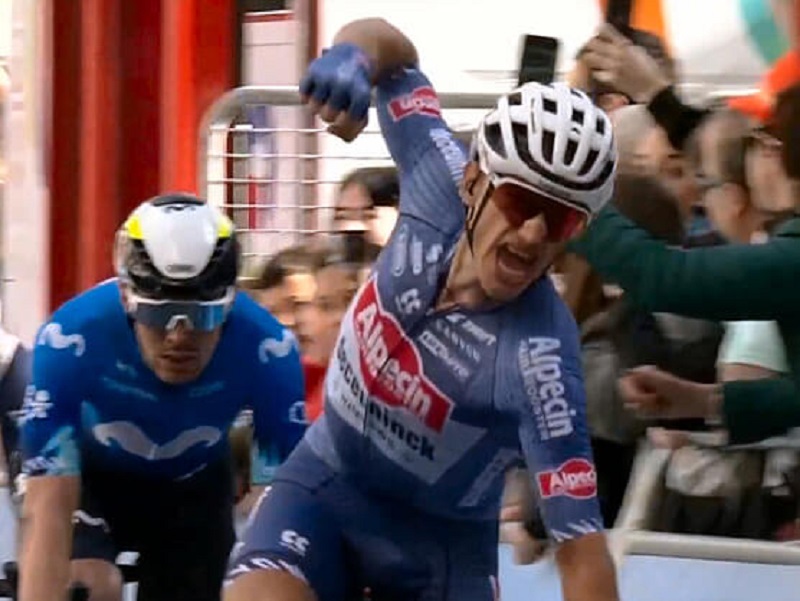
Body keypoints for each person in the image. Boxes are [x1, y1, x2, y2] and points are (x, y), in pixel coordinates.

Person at [225, 18, 620, 601]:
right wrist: (354, 56)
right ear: (474, 181)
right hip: (326, 484)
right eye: (519, 201)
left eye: (560, 219)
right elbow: (395, 53)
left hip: (437, 551)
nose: (534, 233)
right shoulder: (437, 176)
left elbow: (582, 552)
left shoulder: (540, 358)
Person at [18, 194, 306, 601]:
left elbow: (276, 513)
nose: (179, 335)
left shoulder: (270, 349)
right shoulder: (71, 338)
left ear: (229, 303)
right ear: (126, 297)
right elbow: (48, 506)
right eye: (158, 313)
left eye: (203, 315)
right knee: (88, 586)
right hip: (92, 480)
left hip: (194, 486)